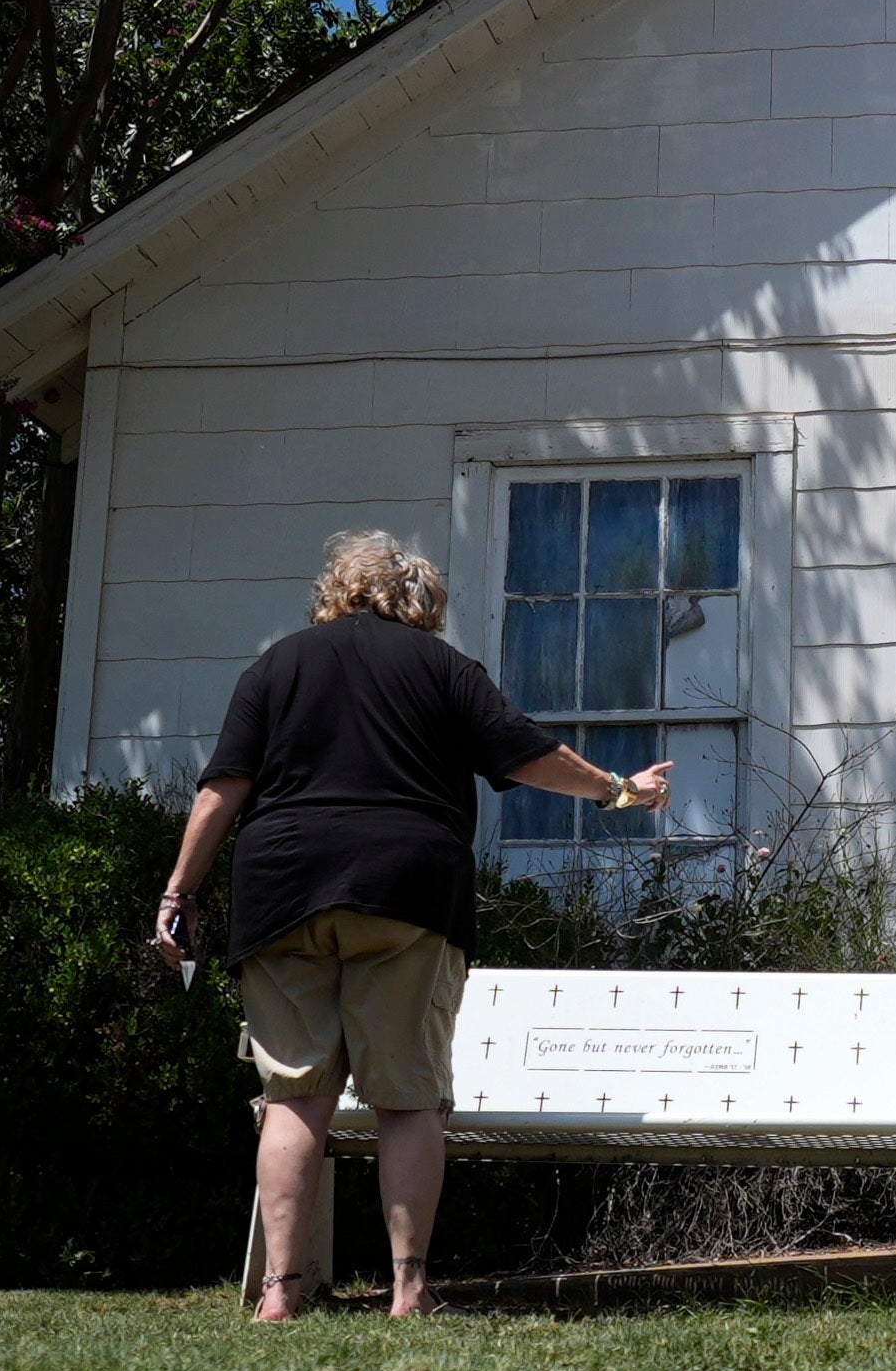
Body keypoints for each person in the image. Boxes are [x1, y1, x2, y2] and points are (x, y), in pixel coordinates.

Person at [152, 529, 667, 1317]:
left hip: (283, 889)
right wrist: (619, 792)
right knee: (409, 1098)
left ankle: (278, 1297)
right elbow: (527, 753)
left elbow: (224, 787)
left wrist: (177, 893)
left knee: (293, 1097)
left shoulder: (276, 666)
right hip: (407, 889)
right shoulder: (445, 670)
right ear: (421, 604)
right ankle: (409, 1289)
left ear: (339, 590)